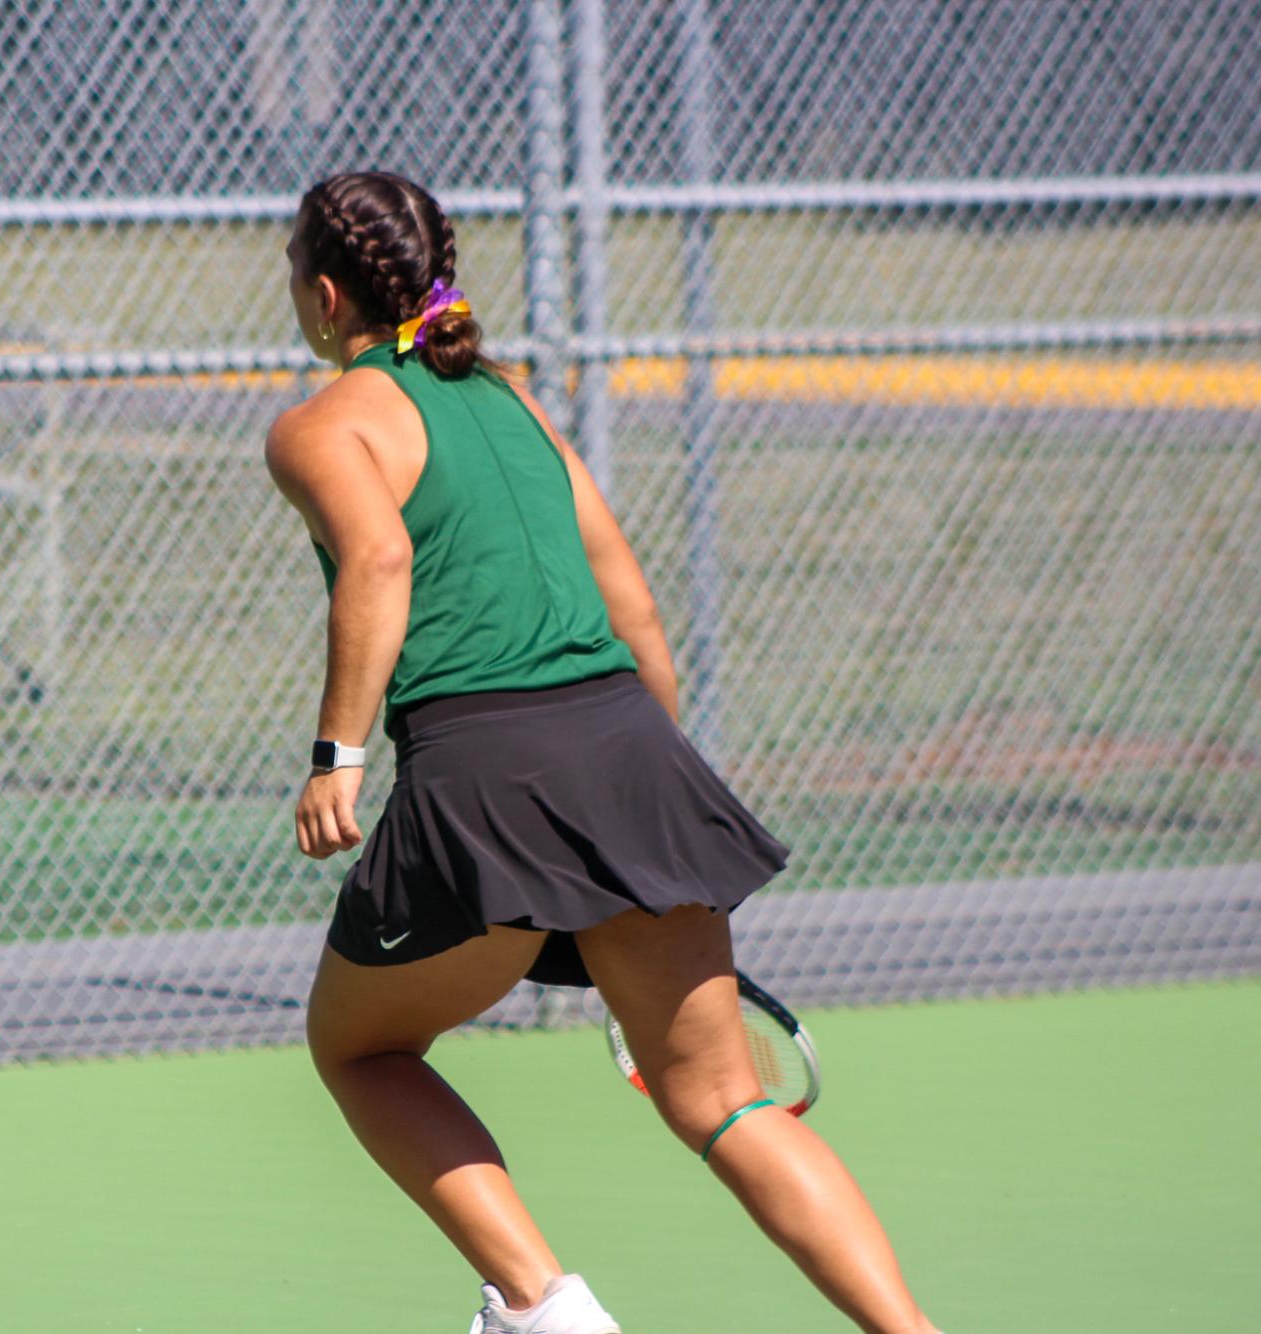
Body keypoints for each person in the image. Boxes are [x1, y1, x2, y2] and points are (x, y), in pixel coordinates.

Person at [266, 171, 941, 1334]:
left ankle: (541, 1305)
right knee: (730, 1100)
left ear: (326, 296)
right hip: (633, 749)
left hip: (485, 771)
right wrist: (636, 830)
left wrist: (338, 754)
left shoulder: (320, 425)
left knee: (359, 1046)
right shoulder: (513, 401)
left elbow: (378, 560)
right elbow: (632, 602)